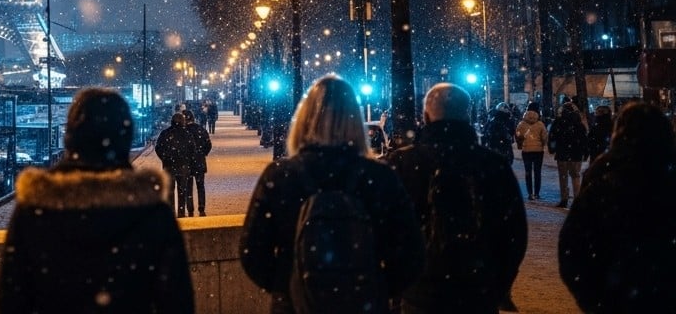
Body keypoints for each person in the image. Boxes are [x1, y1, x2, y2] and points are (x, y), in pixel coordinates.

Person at [240, 75, 424, 314]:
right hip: (364, 304)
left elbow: (252, 252)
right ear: (356, 121)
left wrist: (288, 286)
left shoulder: (281, 176)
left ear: (304, 121)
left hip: (296, 305)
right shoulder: (380, 176)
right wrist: (376, 286)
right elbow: (411, 252)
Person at [0, 87, 193, 313]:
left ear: (71, 137)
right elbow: (177, 301)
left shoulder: (34, 210)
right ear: (125, 136)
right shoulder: (153, 213)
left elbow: (12, 300)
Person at [385, 83, 527, 314]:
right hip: (476, 290)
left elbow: (386, 231)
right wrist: (497, 284)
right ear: (468, 114)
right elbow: (513, 234)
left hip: (420, 292)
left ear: (426, 116)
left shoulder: (403, 164)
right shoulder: (492, 165)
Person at [559, 101, 676, 312]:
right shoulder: (666, 174)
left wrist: (594, 298)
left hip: (615, 293)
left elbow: (573, 245)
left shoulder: (603, 174)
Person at [154, 111, 196, 217]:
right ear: (183, 121)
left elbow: (158, 148)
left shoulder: (165, 133)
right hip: (183, 166)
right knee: (182, 191)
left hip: (169, 166)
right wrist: (188, 160)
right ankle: (181, 212)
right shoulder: (187, 134)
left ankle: (171, 212)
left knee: (170, 191)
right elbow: (192, 149)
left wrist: (164, 158)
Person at [548, 100, 587, 208]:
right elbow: (584, 139)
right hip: (576, 154)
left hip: (563, 153)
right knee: (575, 176)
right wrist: (585, 152)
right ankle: (576, 199)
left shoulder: (559, 122)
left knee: (563, 176)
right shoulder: (579, 124)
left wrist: (552, 148)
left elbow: (552, 136)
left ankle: (564, 199)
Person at [514, 102, 548, 200]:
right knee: (537, 172)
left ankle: (529, 193)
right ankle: (537, 193)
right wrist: (542, 144)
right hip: (538, 151)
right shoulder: (540, 124)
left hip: (526, 151)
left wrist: (521, 144)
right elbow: (544, 137)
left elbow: (518, 135)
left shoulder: (521, 124)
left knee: (528, 172)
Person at [182, 107, 213, 216]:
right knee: (200, 186)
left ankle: (190, 208)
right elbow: (208, 144)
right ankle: (201, 208)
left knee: (188, 187)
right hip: (199, 162)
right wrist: (202, 154)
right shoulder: (200, 129)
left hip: (187, 163)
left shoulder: (183, 132)